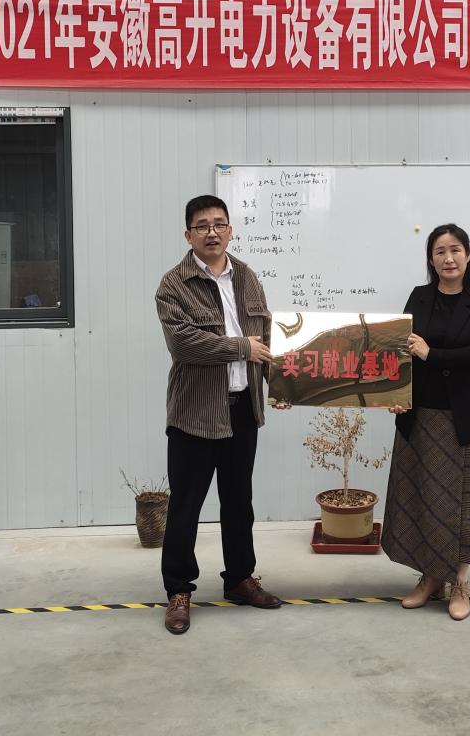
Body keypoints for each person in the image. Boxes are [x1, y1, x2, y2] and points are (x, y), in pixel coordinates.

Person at [154, 195, 285, 635]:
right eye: (202, 225)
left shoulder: (247, 277)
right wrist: (241, 347)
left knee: (239, 502)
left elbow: (267, 337)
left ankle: (240, 579)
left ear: (230, 230)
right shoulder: (174, 284)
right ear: (188, 234)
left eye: (219, 224)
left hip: (242, 409)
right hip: (195, 413)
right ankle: (179, 590)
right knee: (185, 506)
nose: (212, 232)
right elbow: (184, 344)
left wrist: (282, 386)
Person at [382, 223, 470, 620]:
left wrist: (432, 354)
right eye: (439, 251)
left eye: (455, 250)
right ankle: (430, 578)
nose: (448, 258)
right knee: (425, 498)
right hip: (421, 414)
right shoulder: (419, 298)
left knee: (465, 505)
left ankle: (459, 582)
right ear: (431, 259)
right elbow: (400, 352)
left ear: (468, 256)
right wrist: (395, 396)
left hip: (465, 418)